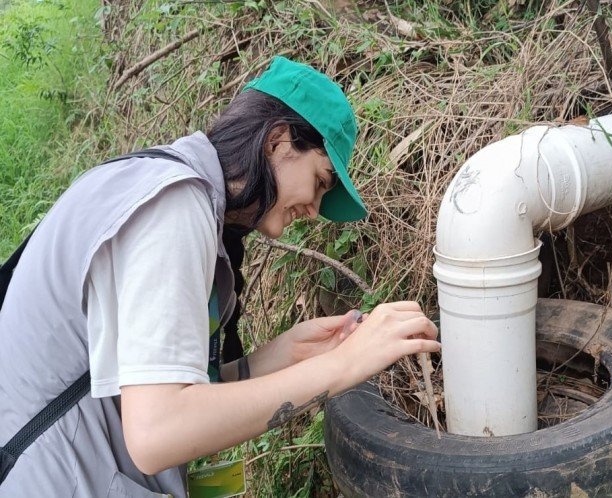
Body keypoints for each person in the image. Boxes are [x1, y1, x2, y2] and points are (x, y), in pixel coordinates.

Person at [0, 56, 440, 497]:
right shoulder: (172, 208)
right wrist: (342, 366)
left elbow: (156, 391)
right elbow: (157, 431)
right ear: (278, 141)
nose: (314, 209)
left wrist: (286, 356)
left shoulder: (157, 186)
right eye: (321, 182)